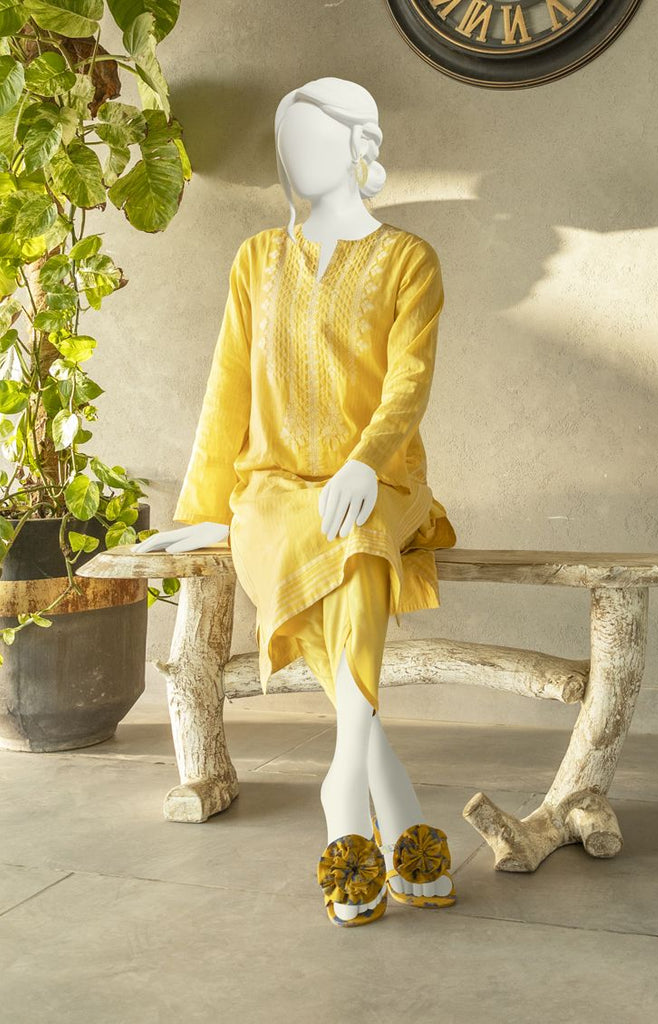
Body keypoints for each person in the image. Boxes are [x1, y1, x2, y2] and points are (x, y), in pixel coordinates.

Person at [138, 77, 457, 927]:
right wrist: (209, 507)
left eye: (314, 140)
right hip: (272, 485)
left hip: (381, 480)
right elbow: (227, 388)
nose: (297, 158)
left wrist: (364, 464)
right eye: (288, 143)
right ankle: (392, 804)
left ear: (360, 146)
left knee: (359, 544)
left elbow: (408, 384)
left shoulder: (409, 260)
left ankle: (342, 795)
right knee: (334, 554)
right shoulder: (256, 259)